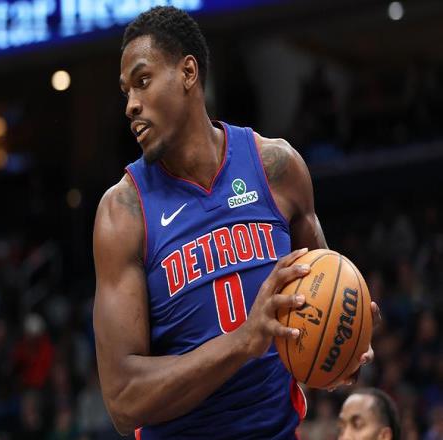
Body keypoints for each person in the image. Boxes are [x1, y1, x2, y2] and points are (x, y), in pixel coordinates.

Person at [93, 6, 379, 439]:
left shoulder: (278, 168)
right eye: (126, 91)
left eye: (143, 81)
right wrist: (243, 342)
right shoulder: (123, 213)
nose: (131, 104)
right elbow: (123, 400)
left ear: (188, 73)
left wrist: (346, 340)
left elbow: (321, 302)